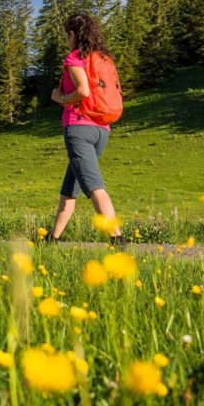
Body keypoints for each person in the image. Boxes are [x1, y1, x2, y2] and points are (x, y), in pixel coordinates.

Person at [47, 13, 123, 244]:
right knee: (70, 188)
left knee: (93, 186)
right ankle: (53, 239)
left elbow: (83, 91)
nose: (66, 40)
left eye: (66, 35)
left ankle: (117, 240)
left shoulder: (75, 58)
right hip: (102, 129)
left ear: (72, 35)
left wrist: (60, 98)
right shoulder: (102, 58)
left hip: (79, 127)